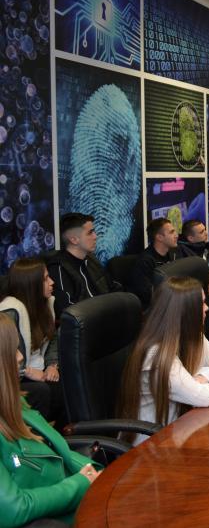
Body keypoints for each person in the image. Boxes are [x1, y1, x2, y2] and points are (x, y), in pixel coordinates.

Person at [118, 276, 209, 446]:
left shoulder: (192, 338)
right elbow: (204, 397)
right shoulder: (157, 356)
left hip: (182, 430)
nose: (207, 308)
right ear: (185, 312)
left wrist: (203, 377)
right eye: (201, 303)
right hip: (150, 446)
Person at [0, 314, 100, 526]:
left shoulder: (14, 403)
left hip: (76, 504)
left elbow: (59, 452)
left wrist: (95, 472)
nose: (20, 357)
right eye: (13, 350)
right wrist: (80, 483)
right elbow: (14, 508)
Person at [0, 258, 62, 422]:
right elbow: (5, 359)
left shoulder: (46, 304)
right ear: (31, 285)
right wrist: (26, 371)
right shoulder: (9, 312)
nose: (52, 282)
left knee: (64, 384)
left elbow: (52, 337)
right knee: (42, 392)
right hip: (13, 378)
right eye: (46, 279)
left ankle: (63, 433)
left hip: (37, 368)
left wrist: (52, 364)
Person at [46, 212, 117, 318]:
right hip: (88, 324)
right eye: (90, 233)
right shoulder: (58, 268)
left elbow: (113, 288)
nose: (95, 236)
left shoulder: (92, 260)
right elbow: (67, 311)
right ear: (74, 239)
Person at [129, 218, 180, 308]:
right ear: (159, 237)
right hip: (155, 308)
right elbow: (148, 295)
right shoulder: (145, 261)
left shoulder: (174, 254)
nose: (176, 235)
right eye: (171, 232)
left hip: (173, 302)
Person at [178, 219, 209, 311]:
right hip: (206, 297)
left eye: (205, 230)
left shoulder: (205, 248)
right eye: (202, 232)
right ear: (191, 238)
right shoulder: (185, 256)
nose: (206, 233)